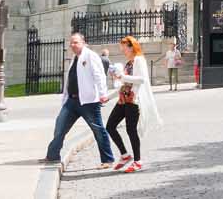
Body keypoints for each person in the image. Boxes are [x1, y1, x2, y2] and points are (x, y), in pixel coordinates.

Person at [44, 32, 115, 168]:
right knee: (60, 126)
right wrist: (65, 97)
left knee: (98, 130)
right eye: (71, 42)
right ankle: (52, 155)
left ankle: (107, 159)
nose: (72, 45)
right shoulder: (75, 58)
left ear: (83, 42)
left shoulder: (90, 56)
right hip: (72, 101)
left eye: (76, 42)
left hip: (88, 101)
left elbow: (99, 75)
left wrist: (103, 93)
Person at [105, 36, 159, 173]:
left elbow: (142, 80)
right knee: (110, 126)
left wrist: (122, 76)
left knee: (131, 130)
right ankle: (125, 155)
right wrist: (108, 97)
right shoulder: (129, 62)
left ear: (131, 46)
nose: (122, 50)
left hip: (133, 100)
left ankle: (138, 161)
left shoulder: (139, 60)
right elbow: (124, 84)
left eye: (124, 47)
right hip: (123, 98)